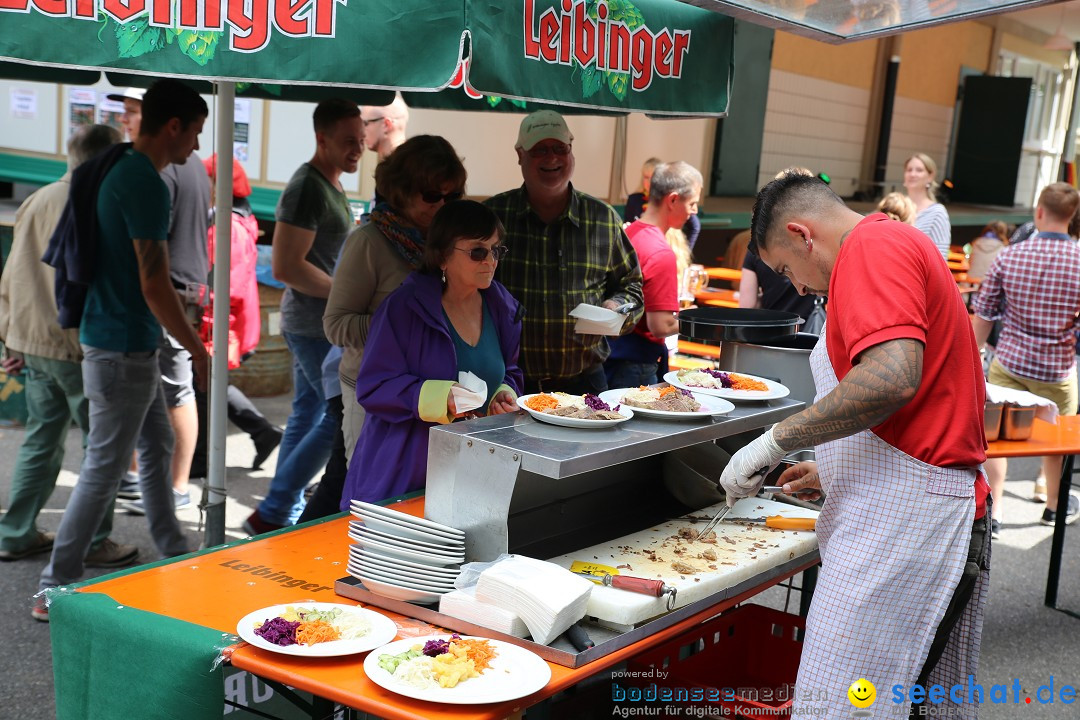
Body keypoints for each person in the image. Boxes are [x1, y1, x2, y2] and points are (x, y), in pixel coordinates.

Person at [720, 173, 990, 717]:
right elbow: (920, 402)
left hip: (913, 525)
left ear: (802, 234)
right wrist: (834, 467)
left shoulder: (870, 247)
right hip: (920, 507)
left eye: (786, 270)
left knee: (842, 705)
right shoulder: (892, 240)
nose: (795, 287)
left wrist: (773, 442)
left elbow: (891, 377)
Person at [36, 79, 210, 620]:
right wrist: (195, 347)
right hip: (121, 348)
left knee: (155, 446)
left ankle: (174, 548)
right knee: (104, 469)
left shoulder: (119, 167)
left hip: (117, 342)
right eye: (196, 133)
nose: (196, 147)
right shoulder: (145, 183)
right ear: (174, 126)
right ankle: (54, 584)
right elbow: (154, 282)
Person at [0, 124, 136, 567]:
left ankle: (15, 533)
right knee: (102, 450)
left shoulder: (37, 199)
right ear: (109, 159)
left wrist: (11, 336)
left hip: (32, 341)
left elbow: (12, 276)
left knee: (42, 439)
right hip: (81, 345)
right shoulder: (99, 200)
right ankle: (94, 541)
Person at [340, 201, 522, 507]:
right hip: (404, 474)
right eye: (478, 251)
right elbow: (373, 387)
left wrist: (504, 394)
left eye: (496, 250)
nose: (490, 260)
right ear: (442, 256)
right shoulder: (403, 308)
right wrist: (440, 397)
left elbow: (512, 370)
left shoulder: (503, 308)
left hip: (476, 473)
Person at [243, 99, 363, 536]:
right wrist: (346, 294)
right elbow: (286, 267)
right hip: (314, 325)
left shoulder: (331, 184)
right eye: (349, 142)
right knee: (334, 415)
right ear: (322, 139)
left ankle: (280, 507)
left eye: (362, 141)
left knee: (306, 412)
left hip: (318, 321)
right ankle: (274, 510)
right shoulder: (306, 187)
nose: (358, 150)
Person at [324, 135, 468, 464]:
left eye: (453, 195)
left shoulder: (452, 242)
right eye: (432, 195)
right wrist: (402, 327)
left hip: (435, 394)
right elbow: (336, 325)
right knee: (373, 494)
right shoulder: (369, 243)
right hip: (375, 394)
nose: (443, 206)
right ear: (402, 191)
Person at [485, 110, 643, 394]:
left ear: (571, 151)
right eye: (540, 150)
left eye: (560, 148)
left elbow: (631, 285)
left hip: (585, 382)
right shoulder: (494, 217)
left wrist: (616, 308)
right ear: (520, 154)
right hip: (507, 384)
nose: (552, 158)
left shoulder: (602, 219)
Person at [108, 88, 211, 516]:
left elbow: (151, 272)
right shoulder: (193, 170)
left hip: (170, 294)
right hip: (183, 289)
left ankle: (176, 486)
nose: (125, 121)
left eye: (131, 112)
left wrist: (195, 345)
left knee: (174, 390)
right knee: (161, 393)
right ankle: (150, 486)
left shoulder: (158, 174)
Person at [971, 183, 1080, 530]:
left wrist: (973, 357)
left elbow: (985, 313)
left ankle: (996, 509)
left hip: (1010, 364)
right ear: (1072, 216)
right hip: (1057, 369)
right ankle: (1052, 506)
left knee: (995, 439)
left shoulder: (1010, 255)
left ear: (1038, 212)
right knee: (1058, 441)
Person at [187, 155, 282, 478]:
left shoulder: (227, 226)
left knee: (203, 386)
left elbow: (225, 286)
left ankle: (200, 460)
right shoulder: (233, 220)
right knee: (210, 384)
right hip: (225, 321)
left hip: (220, 323)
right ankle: (263, 433)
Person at [605, 161, 700, 387]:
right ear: (673, 199)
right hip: (636, 363)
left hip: (609, 355)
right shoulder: (661, 252)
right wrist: (694, 317)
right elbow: (661, 325)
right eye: (693, 203)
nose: (694, 212)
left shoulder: (628, 232)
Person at [739, 169, 819, 325]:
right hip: (809, 331)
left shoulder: (757, 249)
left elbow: (747, 306)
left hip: (770, 330)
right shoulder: (816, 245)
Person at [624, 156, 702, 250]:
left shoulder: (670, 200)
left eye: (652, 177)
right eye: (646, 177)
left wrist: (687, 251)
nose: (649, 182)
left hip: (668, 246)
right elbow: (627, 223)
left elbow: (695, 226)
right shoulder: (634, 199)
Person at [903, 152, 951, 260]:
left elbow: (941, 257)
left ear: (930, 176)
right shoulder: (895, 206)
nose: (912, 174)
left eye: (919, 170)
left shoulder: (937, 213)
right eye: (909, 170)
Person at [361, 93, 409, 163]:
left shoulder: (404, 167)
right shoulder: (407, 161)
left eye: (365, 123)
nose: (361, 132)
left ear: (386, 124)